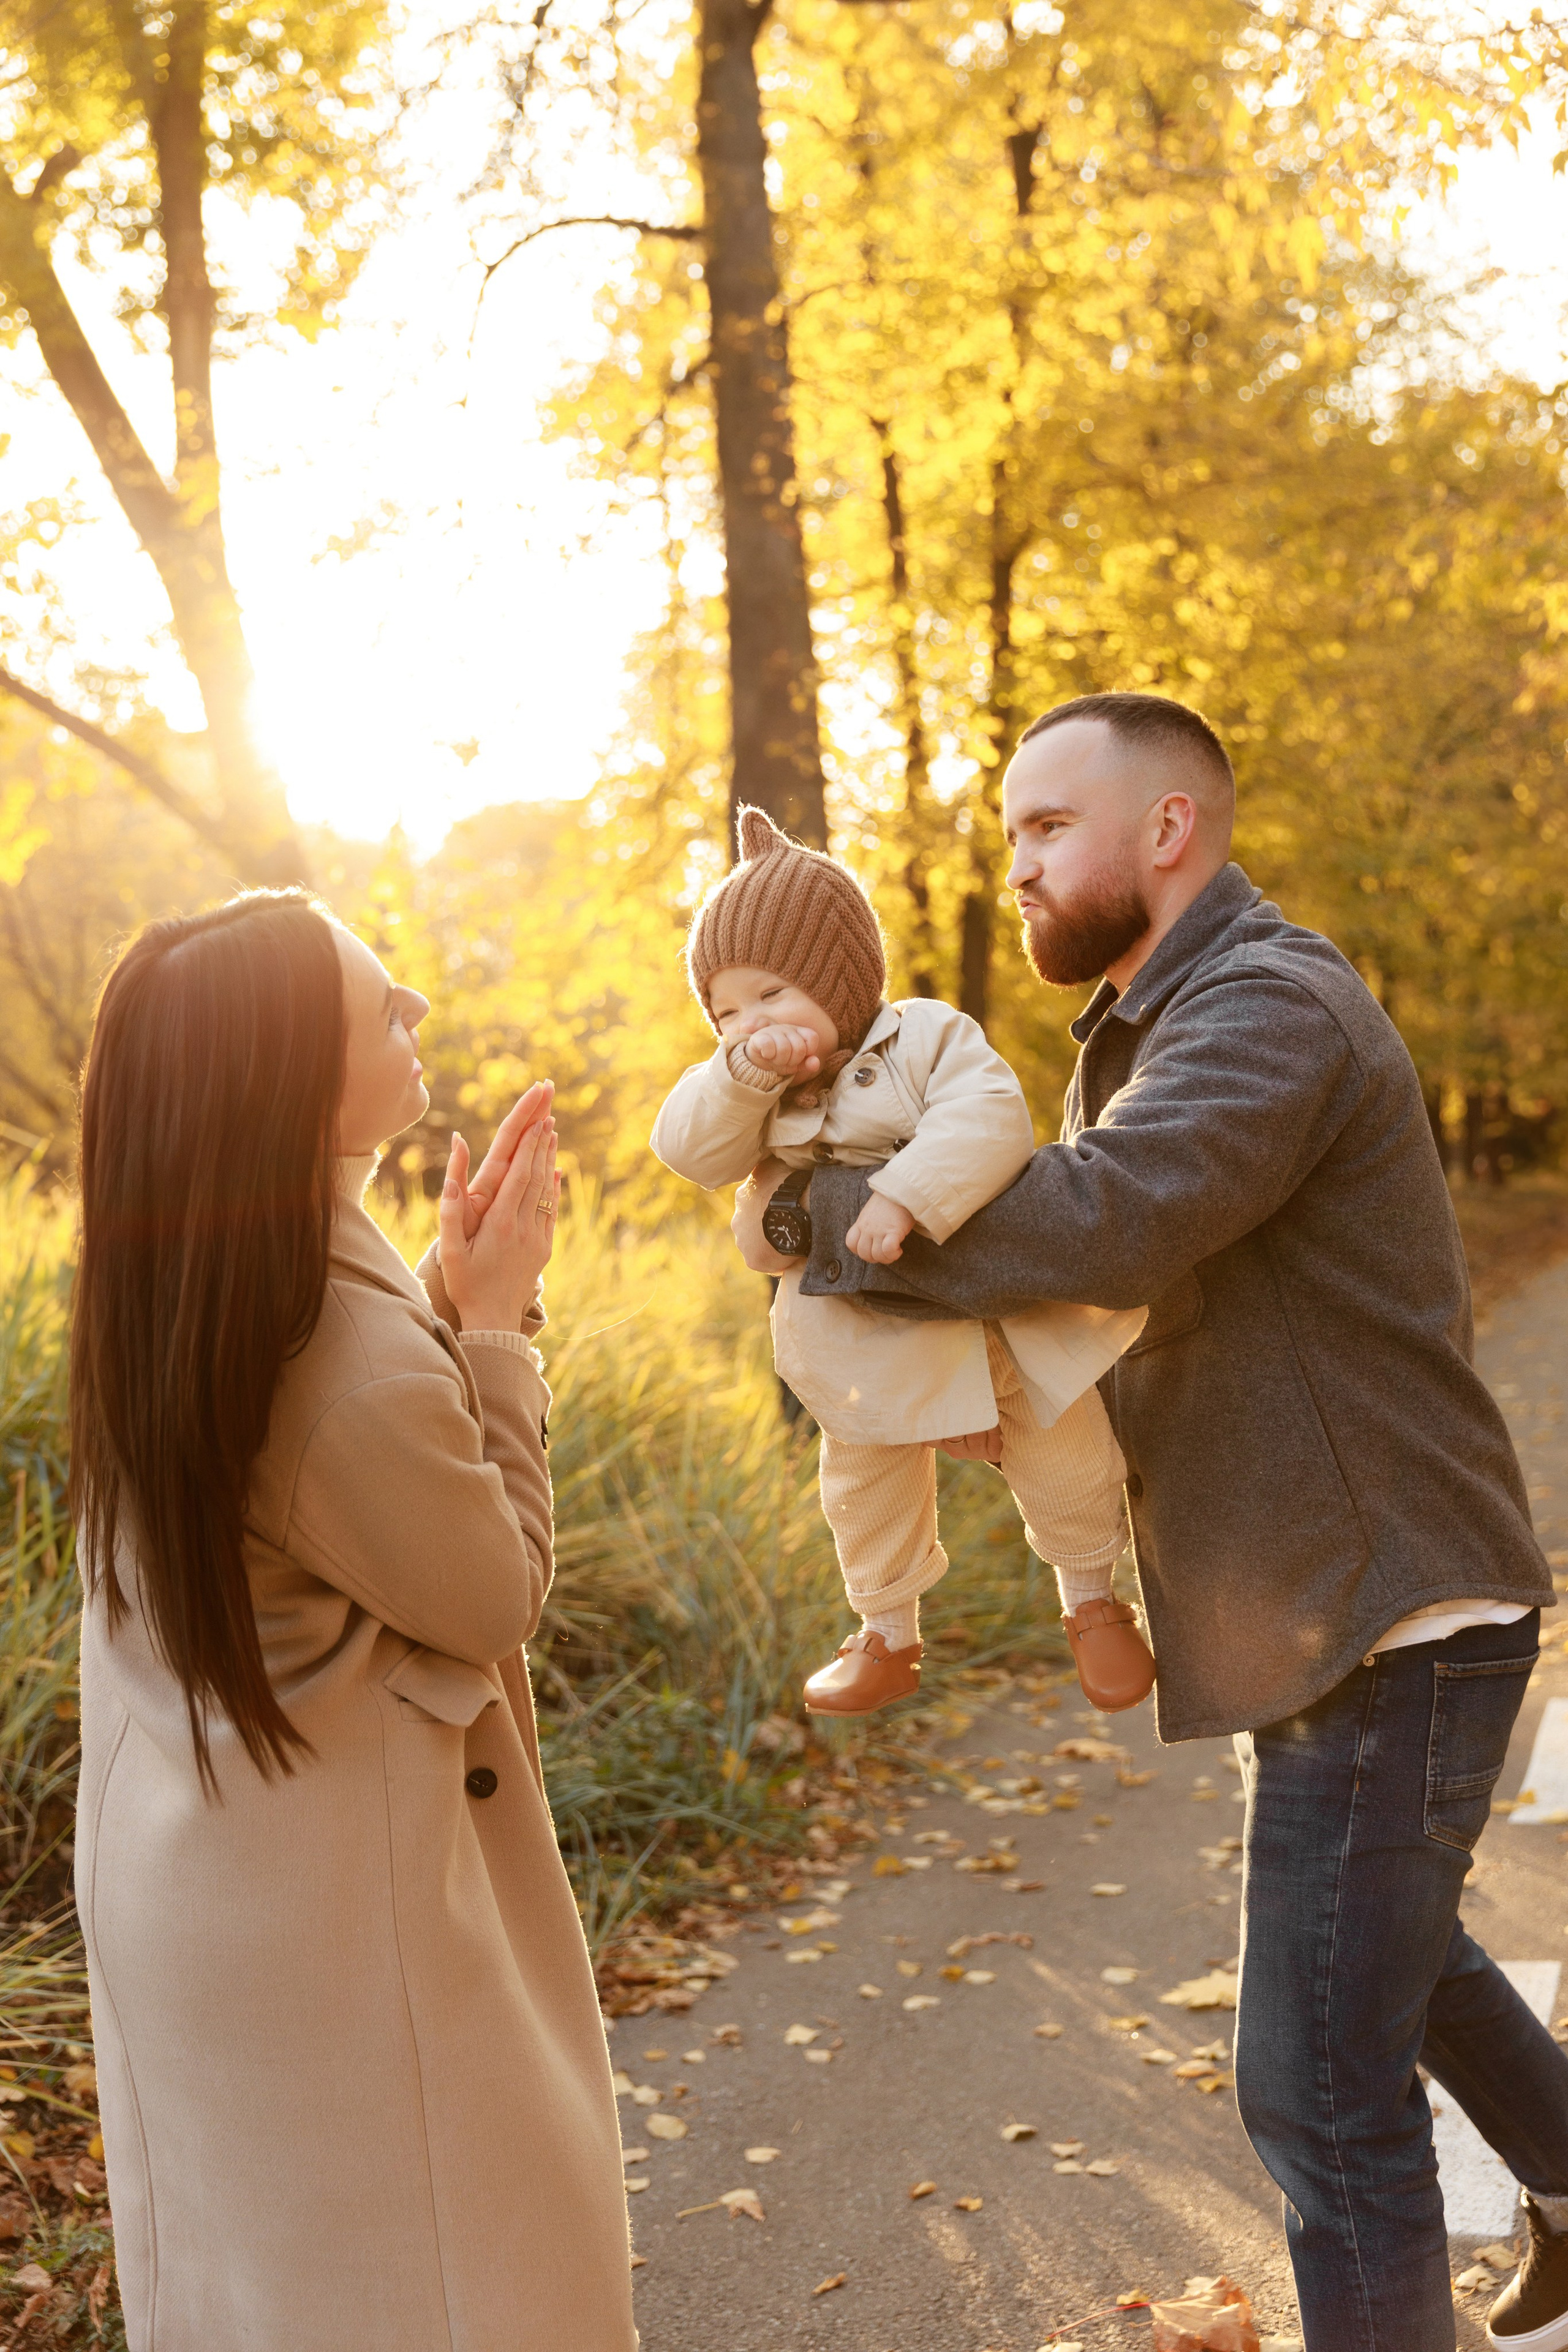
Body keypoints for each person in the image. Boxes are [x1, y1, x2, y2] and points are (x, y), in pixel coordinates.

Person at [737, 692, 1568, 2352]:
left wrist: (806, 1205)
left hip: (1390, 1606)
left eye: (1049, 829)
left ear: (1167, 830)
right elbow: (1156, 1316)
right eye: (1014, 837)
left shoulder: (1270, 1008)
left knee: (1318, 2079)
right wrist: (1014, 1426)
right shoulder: (1146, 1027)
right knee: (1386, 1971)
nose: (1022, 867)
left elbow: (1107, 1223)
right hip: (1315, 1600)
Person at [70, 891, 636, 2352]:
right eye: (385, 1012)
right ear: (292, 1083)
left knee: (259, 2288)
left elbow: (324, 1480)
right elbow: (485, 1591)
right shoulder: (344, 1354)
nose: (421, 1020)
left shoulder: (183, 1281)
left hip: (199, 1878)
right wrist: (499, 1330)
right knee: (460, 2284)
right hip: (341, 1922)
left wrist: (443, 1296)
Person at [650, 802, 1154, 1717]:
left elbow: (989, 1116)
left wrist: (903, 1196)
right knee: (862, 1478)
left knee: (1068, 1446)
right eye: (724, 1009)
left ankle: (1095, 1601)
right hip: (859, 1343)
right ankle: (886, 1632)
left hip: (990, 1313)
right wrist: (740, 1075)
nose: (747, 1024)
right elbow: (690, 1151)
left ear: (839, 982)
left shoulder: (922, 1035)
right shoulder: (747, 1089)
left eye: (771, 996)